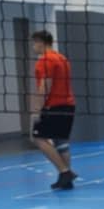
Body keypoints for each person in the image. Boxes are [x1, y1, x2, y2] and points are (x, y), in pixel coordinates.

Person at [29, 29, 76, 190]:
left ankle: (65, 172)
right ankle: (66, 181)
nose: (33, 46)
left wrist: (37, 109)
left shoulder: (45, 60)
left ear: (40, 42)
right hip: (68, 105)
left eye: (34, 43)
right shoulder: (62, 58)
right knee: (61, 142)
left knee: (38, 138)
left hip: (54, 106)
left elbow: (45, 86)